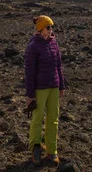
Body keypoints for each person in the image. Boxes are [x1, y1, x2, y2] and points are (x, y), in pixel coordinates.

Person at [24, 15, 67, 166]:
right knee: (37, 119)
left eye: (51, 27)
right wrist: (30, 95)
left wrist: (61, 85)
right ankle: (35, 148)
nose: (51, 30)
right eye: (48, 27)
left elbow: (58, 66)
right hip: (39, 89)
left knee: (53, 119)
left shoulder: (54, 43)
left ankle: (52, 150)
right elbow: (29, 72)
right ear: (41, 29)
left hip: (53, 87)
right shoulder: (33, 46)